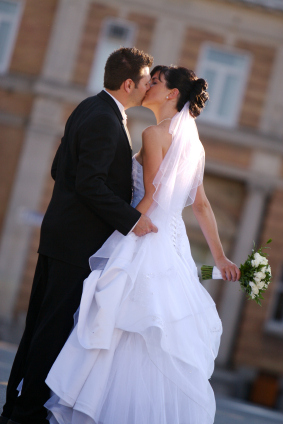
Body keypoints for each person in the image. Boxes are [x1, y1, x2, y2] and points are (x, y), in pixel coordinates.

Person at [43, 65, 241, 424]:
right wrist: (220, 257)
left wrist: (126, 229)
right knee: (151, 329)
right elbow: (201, 205)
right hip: (172, 243)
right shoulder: (194, 146)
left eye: (157, 82)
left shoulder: (153, 134)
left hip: (144, 234)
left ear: (171, 95)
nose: (149, 85)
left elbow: (151, 193)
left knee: (122, 322)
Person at [0, 47, 158, 424]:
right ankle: (26, 412)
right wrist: (131, 219)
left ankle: (15, 406)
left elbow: (60, 169)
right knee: (53, 329)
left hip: (61, 236)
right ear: (128, 83)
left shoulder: (89, 107)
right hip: (76, 245)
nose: (150, 85)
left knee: (40, 325)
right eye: (147, 80)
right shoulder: (106, 119)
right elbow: (90, 184)